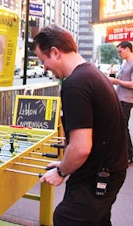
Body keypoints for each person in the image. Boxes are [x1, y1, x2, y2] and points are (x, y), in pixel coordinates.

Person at [32, 25, 127, 225]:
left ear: (55, 52)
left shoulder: (75, 84)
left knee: (66, 217)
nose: (45, 67)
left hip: (98, 175)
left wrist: (61, 172)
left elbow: (81, 147)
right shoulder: (93, 73)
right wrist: (65, 162)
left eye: (44, 60)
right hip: (108, 170)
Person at [108, 41, 133, 164]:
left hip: (127, 99)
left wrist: (116, 81)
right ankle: (125, 153)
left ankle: (128, 155)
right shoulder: (125, 63)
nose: (119, 54)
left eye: (120, 51)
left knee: (122, 127)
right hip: (121, 98)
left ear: (127, 49)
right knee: (120, 126)